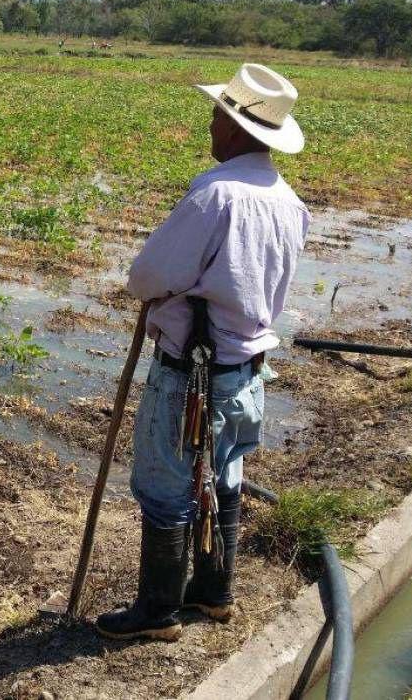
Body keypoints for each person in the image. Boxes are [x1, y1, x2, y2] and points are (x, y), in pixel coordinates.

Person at [96, 63, 311, 642]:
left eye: (218, 115)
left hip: (191, 375)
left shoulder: (215, 196)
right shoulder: (288, 201)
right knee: (225, 475)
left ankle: (157, 614)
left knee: (168, 486)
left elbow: (149, 275)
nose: (211, 125)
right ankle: (215, 595)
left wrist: (166, 289)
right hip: (246, 372)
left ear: (240, 130)